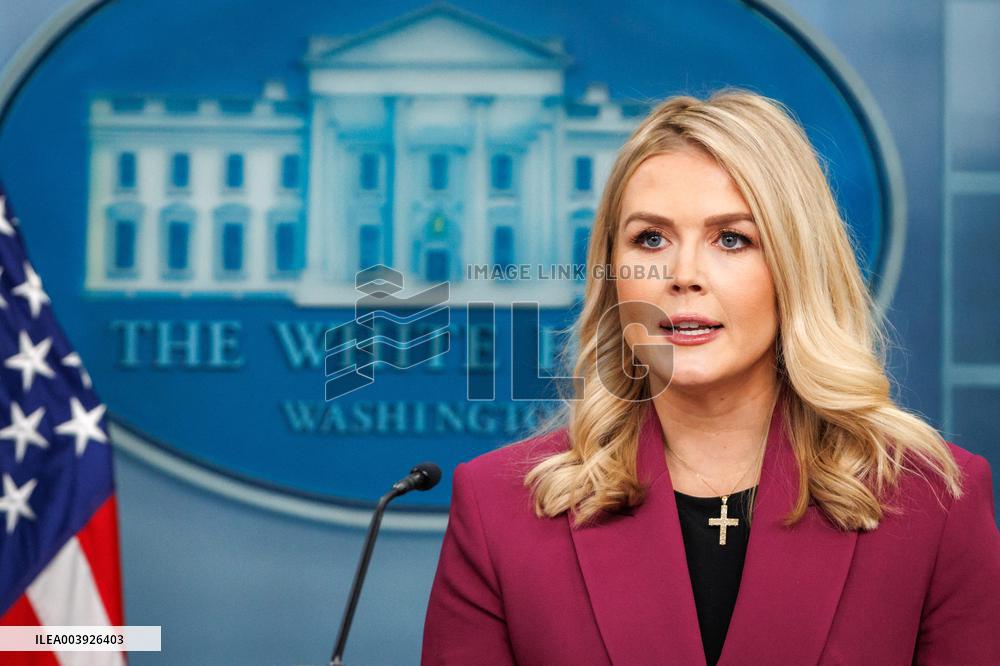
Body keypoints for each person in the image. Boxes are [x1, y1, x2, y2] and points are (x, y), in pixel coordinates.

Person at [420, 88, 1000, 665]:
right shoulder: (499, 511)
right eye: (651, 239)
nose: (683, 274)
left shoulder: (933, 505)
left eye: (732, 239)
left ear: (795, 267)